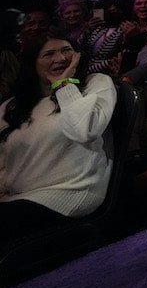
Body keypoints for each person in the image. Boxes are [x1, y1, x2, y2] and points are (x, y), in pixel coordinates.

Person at [0, 35, 117, 247]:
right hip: (16, 196)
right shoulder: (12, 106)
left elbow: (84, 130)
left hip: (68, 193)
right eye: (49, 54)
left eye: (66, 50)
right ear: (32, 63)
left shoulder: (95, 84)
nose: (61, 58)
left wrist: (64, 84)